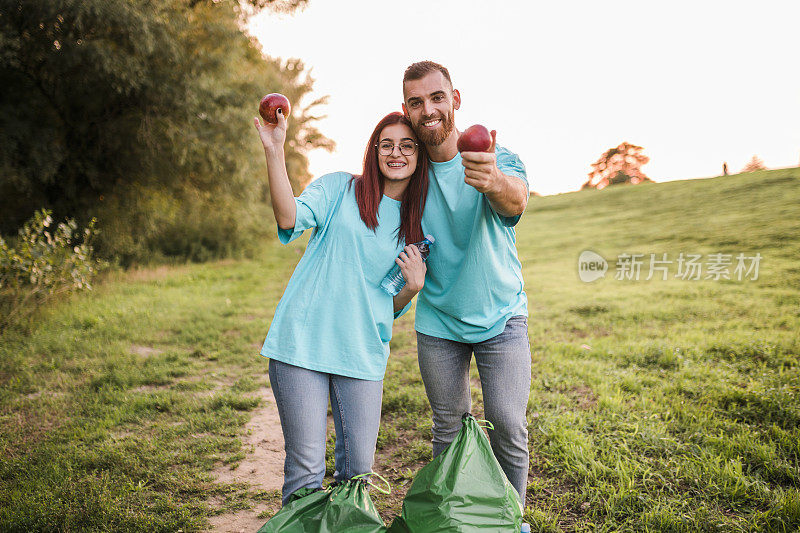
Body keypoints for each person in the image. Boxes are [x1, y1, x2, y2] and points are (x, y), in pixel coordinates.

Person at [253, 110, 429, 504]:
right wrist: (274, 149)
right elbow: (289, 215)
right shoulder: (339, 189)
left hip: (362, 353)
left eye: (406, 145)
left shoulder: (417, 225)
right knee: (306, 469)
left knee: (357, 473)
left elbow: (387, 302)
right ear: (374, 151)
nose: (396, 153)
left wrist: (413, 288)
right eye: (387, 145)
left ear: (419, 155)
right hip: (302, 345)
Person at [400, 60, 532, 505]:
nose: (428, 109)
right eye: (416, 103)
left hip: (502, 315)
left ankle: (511, 518)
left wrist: (493, 181)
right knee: (448, 430)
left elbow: (515, 203)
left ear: (454, 100)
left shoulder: (493, 155)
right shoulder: (409, 178)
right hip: (439, 322)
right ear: (407, 110)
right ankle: (453, 516)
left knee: (508, 424)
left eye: (437, 98)